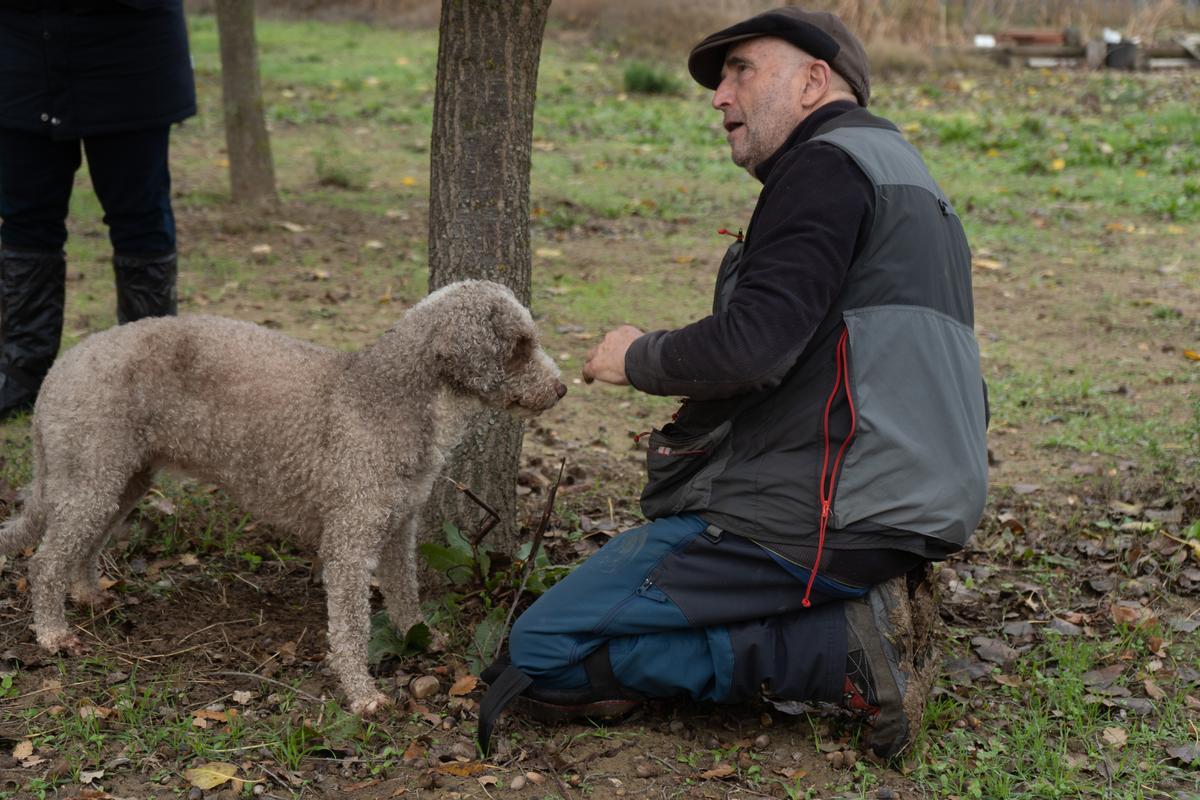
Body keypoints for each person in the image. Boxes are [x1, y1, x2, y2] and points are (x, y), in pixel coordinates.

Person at [479, 7, 988, 760]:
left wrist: (635, 355)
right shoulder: (907, 177)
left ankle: (836, 646)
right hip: (917, 498)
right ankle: (855, 606)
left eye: (741, 70)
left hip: (831, 507)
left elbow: (753, 350)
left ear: (814, 80)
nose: (720, 94)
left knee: (539, 651)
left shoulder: (825, 168)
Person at [0, 0, 196, 421]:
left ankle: (151, 377)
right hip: (21, 44)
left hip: (131, 49)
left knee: (139, 218)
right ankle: (21, 372)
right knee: (25, 217)